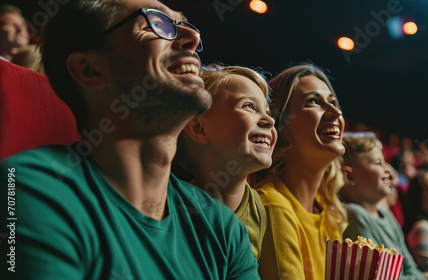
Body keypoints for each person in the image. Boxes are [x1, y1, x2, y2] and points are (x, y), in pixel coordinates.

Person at [0, 1, 259, 279]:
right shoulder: (29, 188)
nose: (193, 38)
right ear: (90, 70)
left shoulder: (220, 225)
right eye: (157, 23)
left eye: (184, 25)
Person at [254, 64, 347, 280]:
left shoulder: (332, 212)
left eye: (332, 102)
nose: (336, 112)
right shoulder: (273, 205)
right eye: (313, 102)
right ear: (280, 126)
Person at [177, 64, 276, 259]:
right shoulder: (176, 209)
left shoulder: (257, 207)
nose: (270, 121)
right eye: (249, 106)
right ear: (199, 129)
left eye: (268, 112)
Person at [339, 136, 424, 280]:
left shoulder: (388, 216)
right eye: (379, 163)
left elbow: (411, 269)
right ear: (349, 176)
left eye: (387, 163)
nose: (389, 171)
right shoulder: (354, 214)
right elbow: (381, 276)